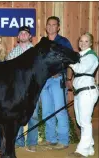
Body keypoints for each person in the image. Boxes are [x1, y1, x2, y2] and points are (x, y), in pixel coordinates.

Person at [39, 16, 73, 150]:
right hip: (44, 80)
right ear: (46, 27)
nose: (51, 27)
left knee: (59, 110)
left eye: (54, 25)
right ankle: (50, 139)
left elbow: (70, 60)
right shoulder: (43, 42)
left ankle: (63, 140)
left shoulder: (63, 42)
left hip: (58, 79)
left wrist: (69, 79)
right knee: (47, 111)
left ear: (58, 27)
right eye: (49, 24)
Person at [5, 26, 40, 152]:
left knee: (33, 116)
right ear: (18, 37)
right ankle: (19, 141)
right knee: (17, 115)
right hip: (18, 90)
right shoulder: (13, 53)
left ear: (30, 36)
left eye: (26, 33)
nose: (24, 35)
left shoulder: (37, 52)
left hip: (33, 89)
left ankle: (32, 142)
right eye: (21, 33)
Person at [67, 32, 98, 158]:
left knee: (84, 122)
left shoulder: (91, 57)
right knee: (81, 121)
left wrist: (69, 61)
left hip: (87, 91)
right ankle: (89, 147)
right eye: (81, 41)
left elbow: (80, 69)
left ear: (90, 43)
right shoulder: (80, 55)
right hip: (80, 92)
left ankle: (82, 151)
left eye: (86, 41)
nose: (83, 43)